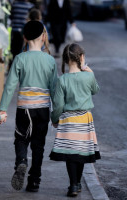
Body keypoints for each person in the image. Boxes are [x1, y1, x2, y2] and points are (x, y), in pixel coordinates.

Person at [0, 20, 58, 192]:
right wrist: (55, 115)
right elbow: (55, 90)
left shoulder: (19, 59)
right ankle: (34, 181)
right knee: (38, 145)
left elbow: (10, 86)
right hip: (43, 110)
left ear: (24, 38)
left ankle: (22, 161)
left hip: (24, 109)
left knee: (21, 139)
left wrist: (2, 109)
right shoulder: (50, 61)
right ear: (43, 37)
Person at [49, 43, 101, 197]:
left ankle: (73, 185)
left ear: (65, 60)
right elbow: (95, 90)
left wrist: (55, 119)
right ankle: (77, 183)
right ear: (82, 58)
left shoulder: (62, 79)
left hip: (68, 120)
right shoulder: (88, 76)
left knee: (71, 153)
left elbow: (58, 105)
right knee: (81, 153)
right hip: (84, 119)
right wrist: (90, 71)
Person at [10, 0, 34, 68]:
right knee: (22, 49)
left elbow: (11, 16)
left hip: (15, 30)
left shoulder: (14, 5)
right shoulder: (30, 6)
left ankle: (13, 65)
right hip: (24, 31)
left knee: (14, 50)